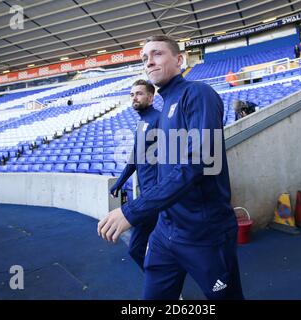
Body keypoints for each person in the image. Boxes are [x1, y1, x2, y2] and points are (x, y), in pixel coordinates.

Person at [98, 35, 244, 300]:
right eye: (144, 58)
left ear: (179, 60)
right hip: (166, 232)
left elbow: (199, 162)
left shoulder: (198, 93)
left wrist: (134, 210)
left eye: (156, 54)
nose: (148, 62)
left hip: (204, 234)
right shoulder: (164, 109)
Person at [110, 79, 160, 271]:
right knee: (150, 246)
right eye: (132, 94)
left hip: (155, 197)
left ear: (150, 96)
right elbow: (135, 158)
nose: (134, 98)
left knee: (136, 248)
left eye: (139, 93)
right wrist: (120, 182)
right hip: (146, 195)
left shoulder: (160, 119)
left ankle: (161, 284)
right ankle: (164, 284)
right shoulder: (141, 123)